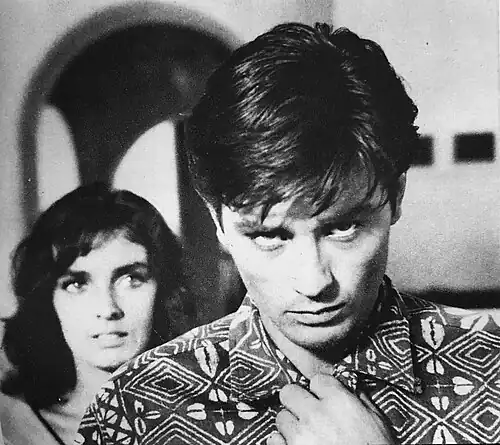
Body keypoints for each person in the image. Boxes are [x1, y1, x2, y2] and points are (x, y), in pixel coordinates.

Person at [76, 22, 500, 445]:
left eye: (342, 228)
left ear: (396, 195)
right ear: (218, 222)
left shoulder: (493, 368)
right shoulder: (135, 408)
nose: (314, 283)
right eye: (269, 236)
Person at [0, 183, 195, 445]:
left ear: (163, 289)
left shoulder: (205, 423)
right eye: (77, 284)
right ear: (48, 299)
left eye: (131, 279)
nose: (108, 309)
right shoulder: (12, 430)